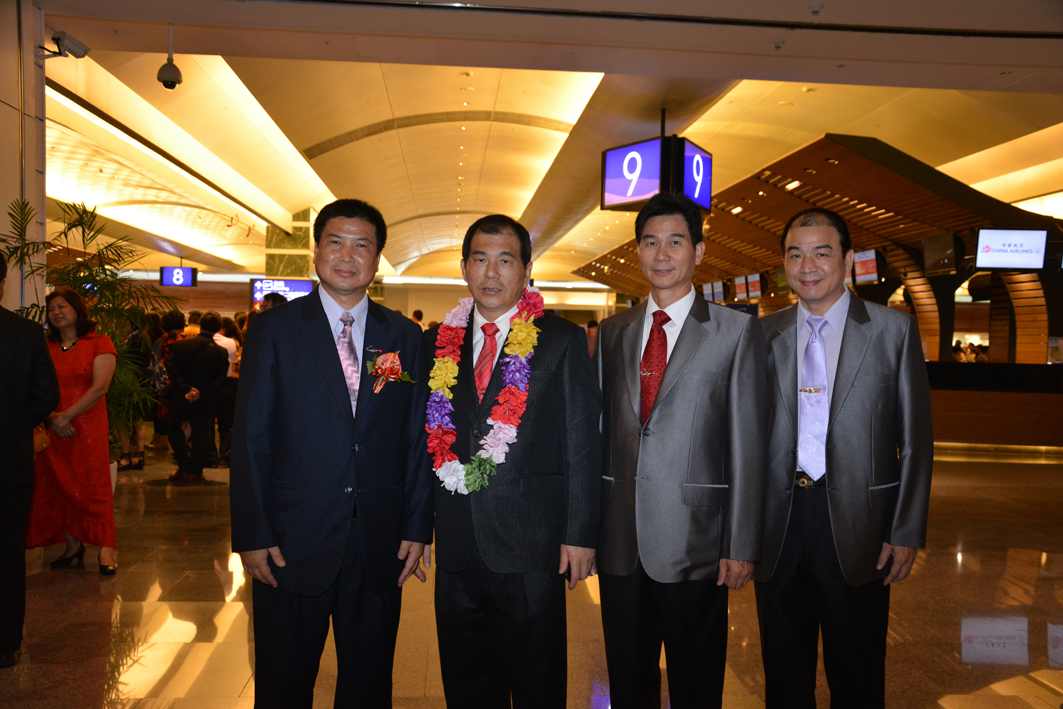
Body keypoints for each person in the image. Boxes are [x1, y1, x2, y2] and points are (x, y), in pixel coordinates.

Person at [231, 198, 433, 708]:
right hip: (291, 538)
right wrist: (252, 534)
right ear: (316, 251)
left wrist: (416, 528)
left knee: (369, 684)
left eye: (362, 245)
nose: (347, 256)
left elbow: (415, 437)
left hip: (378, 539)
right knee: (283, 683)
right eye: (335, 242)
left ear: (377, 258)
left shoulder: (404, 336)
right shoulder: (274, 329)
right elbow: (251, 437)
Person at [595, 193, 768, 709]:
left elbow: (748, 443)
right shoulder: (614, 331)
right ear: (637, 251)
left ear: (699, 251)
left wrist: (740, 542)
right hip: (621, 539)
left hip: (698, 541)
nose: (662, 254)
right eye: (650, 242)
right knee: (628, 682)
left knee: (697, 683)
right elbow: (602, 434)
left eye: (675, 242)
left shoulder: (736, 331)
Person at [755, 207, 933, 709]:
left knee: (857, 675)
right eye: (795, 254)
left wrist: (905, 530)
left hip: (861, 526)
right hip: (778, 525)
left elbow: (916, 440)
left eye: (821, 253)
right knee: (783, 674)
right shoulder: (761, 335)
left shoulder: (892, 331)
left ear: (849, 260)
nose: (807, 266)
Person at [428, 214, 601, 708]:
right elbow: (424, 442)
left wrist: (580, 534)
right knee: (465, 684)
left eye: (505, 260)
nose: (491, 272)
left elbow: (581, 443)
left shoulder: (561, 340)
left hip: (531, 546)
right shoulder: (438, 342)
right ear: (464, 267)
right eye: (479, 259)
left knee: (535, 683)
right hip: (457, 546)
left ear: (526, 269)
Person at [26, 287, 119, 574]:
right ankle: (72, 545)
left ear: (78, 310)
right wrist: (52, 418)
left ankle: (107, 547)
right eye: (51, 308)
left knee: (93, 486)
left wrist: (67, 416)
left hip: (87, 425)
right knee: (59, 484)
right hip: (53, 424)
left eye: (62, 306)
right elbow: (34, 385)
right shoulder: (46, 346)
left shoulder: (99, 342)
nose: (56, 312)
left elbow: (100, 387)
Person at [0, 253, 60, 668]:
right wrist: (16, 426)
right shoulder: (25, 332)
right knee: (7, 550)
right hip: (10, 459)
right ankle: (6, 644)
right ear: (2, 283)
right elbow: (47, 396)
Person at [165, 311, 229, 482]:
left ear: (200, 325)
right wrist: (200, 392)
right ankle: (195, 472)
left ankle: (183, 464)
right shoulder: (221, 352)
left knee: (173, 428)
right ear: (218, 329)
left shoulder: (181, 345)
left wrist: (187, 388)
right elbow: (220, 380)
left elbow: (172, 369)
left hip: (181, 396)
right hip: (205, 400)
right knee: (201, 435)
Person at [118, 309, 153, 472]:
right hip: (139, 384)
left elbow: (129, 361)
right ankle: (138, 455)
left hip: (131, 384)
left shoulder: (137, 339)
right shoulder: (142, 337)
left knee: (126, 421)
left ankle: (127, 455)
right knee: (138, 421)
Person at [149, 310, 185, 449]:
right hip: (175, 379)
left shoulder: (161, 340)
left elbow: (156, 359)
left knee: (160, 410)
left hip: (162, 379)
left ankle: (159, 438)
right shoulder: (181, 340)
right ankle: (163, 439)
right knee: (169, 412)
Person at [206, 311, 238, 467]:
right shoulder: (231, 342)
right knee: (227, 423)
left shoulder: (204, 342)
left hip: (208, 384)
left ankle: (210, 456)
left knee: (208, 422)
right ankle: (225, 456)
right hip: (228, 383)